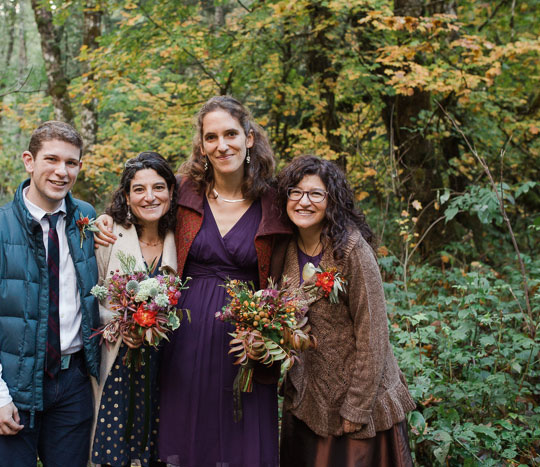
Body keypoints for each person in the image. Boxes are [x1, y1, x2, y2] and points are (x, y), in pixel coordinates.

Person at [96, 96, 292, 466]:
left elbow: (305, 243)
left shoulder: (274, 201)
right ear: (201, 145)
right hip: (182, 337)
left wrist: (273, 333)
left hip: (244, 340)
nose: (222, 145)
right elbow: (140, 206)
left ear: (249, 138)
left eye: (231, 134)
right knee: (185, 437)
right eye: (212, 137)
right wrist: (105, 221)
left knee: (242, 440)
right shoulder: (185, 191)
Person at [0, 121, 100, 467]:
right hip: (15, 385)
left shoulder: (87, 219)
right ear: (29, 161)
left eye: (71, 163)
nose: (61, 171)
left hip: (74, 383)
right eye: (51, 159)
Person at [274, 155, 415, 467]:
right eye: (295, 192)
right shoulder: (282, 250)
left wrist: (357, 406)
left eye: (315, 194)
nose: (303, 202)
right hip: (307, 398)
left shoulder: (351, 250)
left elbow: (374, 334)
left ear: (331, 200)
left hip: (357, 402)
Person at [90, 152, 178, 467]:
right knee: (114, 450)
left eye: (158, 187)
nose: (149, 196)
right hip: (119, 365)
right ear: (126, 195)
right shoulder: (109, 234)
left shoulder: (182, 237)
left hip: (167, 367)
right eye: (139, 189)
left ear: (171, 191)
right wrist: (119, 325)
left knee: (160, 450)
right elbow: (93, 293)